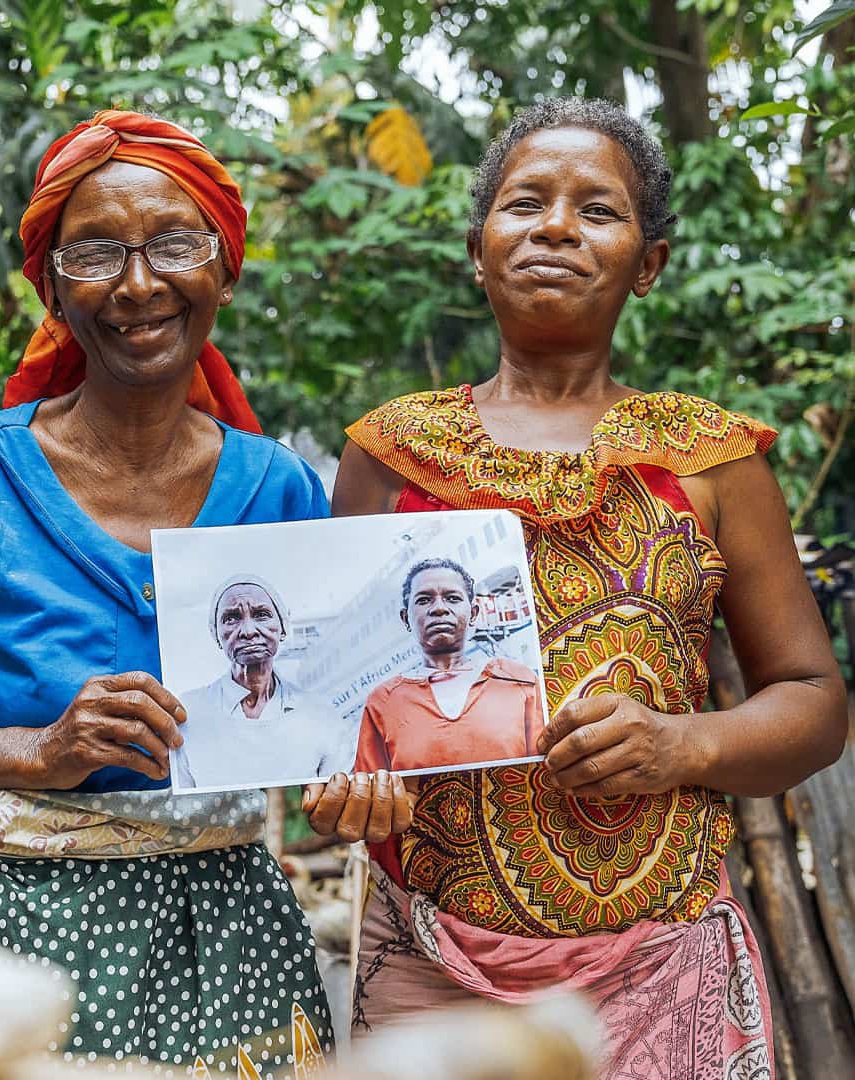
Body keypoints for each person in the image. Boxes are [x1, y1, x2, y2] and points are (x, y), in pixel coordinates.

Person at [0, 110, 409, 1075]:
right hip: (7, 941)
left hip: (231, 948)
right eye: (94, 255)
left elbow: (328, 735)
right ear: (50, 287)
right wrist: (37, 752)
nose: (138, 284)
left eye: (174, 244)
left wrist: (353, 789)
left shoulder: (281, 490)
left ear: (225, 270)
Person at [332, 99, 846, 1079]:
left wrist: (683, 743)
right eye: (525, 203)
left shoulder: (710, 458)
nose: (557, 228)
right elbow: (341, 707)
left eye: (597, 210)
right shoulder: (391, 454)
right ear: (477, 249)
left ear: (648, 264)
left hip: (665, 967)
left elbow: (815, 702)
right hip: (431, 966)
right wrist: (351, 788)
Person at [353, 558, 543, 774]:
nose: (439, 608)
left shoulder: (519, 681)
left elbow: (544, 773)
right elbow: (371, 785)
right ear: (406, 619)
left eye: (452, 598)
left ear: (473, 613)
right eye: (424, 600)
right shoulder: (383, 701)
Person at [173, 574, 350, 788]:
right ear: (216, 634)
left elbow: (336, 797)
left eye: (262, 615)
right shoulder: (189, 713)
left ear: (283, 628)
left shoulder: (322, 715)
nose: (248, 631)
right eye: (231, 618)